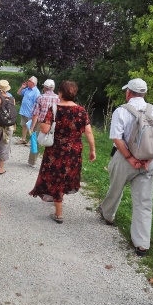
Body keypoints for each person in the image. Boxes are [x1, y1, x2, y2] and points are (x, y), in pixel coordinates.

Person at [98, 78, 153, 256]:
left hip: (125, 159)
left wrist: (131, 158)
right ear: (144, 94)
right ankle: (142, 244)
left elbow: (117, 138)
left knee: (116, 189)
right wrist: (150, 156)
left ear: (128, 92)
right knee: (144, 201)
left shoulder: (121, 111)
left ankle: (108, 215)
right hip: (148, 163)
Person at [29, 81, 96, 223]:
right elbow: (88, 132)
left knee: (56, 176)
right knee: (66, 175)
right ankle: (58, 199)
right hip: (74, 150)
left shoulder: (53, 109)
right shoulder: (82, 110)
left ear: (60, 93)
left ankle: (58, 214)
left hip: (56, 150)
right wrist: (92, 150)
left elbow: (44, 130)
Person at [27, 79, 60, 167]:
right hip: (53, 124)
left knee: (35, 141)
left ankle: (32, 162)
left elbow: (35, 114)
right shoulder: (58, 98)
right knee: (51, 142)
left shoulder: (41, 97)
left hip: (41, 123)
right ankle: (49, 163)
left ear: (44, 88)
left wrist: (32, 127)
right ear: (53, 88)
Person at [16, 76, 40, 145]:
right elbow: (19, 93)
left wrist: (34, 114)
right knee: (24, 125)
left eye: (29, 81)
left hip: (30, 113)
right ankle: (23, 139)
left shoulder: (36, 92)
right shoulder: (27, 89)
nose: (27, 82)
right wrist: (22, 87)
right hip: (24, 111)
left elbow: (37, 103)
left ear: (33, 83)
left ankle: (31, 141)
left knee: (31, 127)